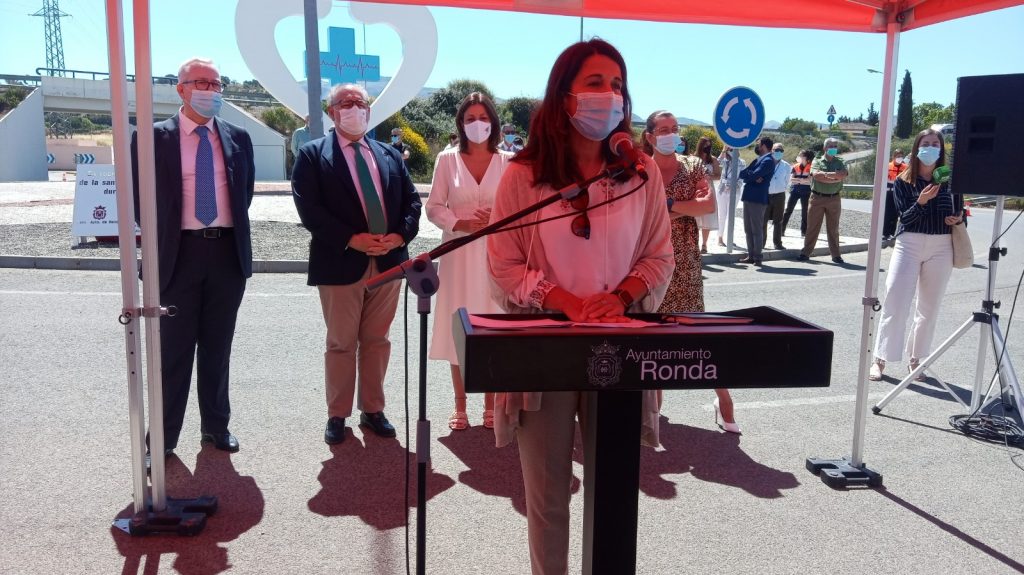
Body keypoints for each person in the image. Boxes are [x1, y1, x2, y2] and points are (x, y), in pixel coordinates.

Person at [486, 40, 673, 575]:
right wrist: (564, 302)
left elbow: (660, 255)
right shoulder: (523, 175)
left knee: (612, 490)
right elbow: (503, 265)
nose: (609, 95)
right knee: (547, 499)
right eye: (595, 83)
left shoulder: (641, 173)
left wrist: (619, 297)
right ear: (564, 95)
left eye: (617, 85)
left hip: (620, 343)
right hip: (545, 350)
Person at [131, 57, 254, 457]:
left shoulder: (238, 137)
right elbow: (140, 200)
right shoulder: (152, 137)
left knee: (218, 349)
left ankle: (216, 427)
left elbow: (244, 194)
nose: (210, 90)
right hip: (177, 255)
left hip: (226, 254)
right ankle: (162, 441)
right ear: (181, 88)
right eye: (201, 82)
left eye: (216, 84)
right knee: (173, 353)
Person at [292, 83, 422, 444]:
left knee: (377, 341)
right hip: (340, 261)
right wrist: (351, 238)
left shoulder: (389, 154)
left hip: (388, 261)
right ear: (331, 111)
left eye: (360, 103)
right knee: (341, 343)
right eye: (345, 103)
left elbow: (412, 202)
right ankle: (337, 414)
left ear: (368, 110)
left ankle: (373, 409)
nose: (354, 108)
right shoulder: (313, 155)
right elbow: (309, 209)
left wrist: (400, 236)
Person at [643, 110, 740, 434]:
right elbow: (638, 213)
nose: (671, 134)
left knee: (697, 333)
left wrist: (667, 206)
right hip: (647, 262)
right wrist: (682, 207)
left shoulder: (693, 165)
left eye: (675, 128)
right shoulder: (640, 169)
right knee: (652, 338)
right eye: (663, 130)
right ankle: (653, 409)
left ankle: (723, 400)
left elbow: (708, 205)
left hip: (685, 262)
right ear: (650, 136)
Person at [425, 92, 512, 431]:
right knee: (458, 326)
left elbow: (519, 206)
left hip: (497, 254)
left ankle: (491, 404)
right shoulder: (447, 160)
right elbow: (434, 206)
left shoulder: (509, 162)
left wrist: (497, 217)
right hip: (458, 253)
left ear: (494, 122)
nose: (478, 124)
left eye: (484, 117)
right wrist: (459, 222)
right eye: (470, 118)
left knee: (493, 326)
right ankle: (459, 404)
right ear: (461, 124)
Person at [869, 130, 962, 382]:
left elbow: (960, 212)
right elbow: (905, 218)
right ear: (917, 148)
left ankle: (916, 359)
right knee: (896, 301)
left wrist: (957, 218)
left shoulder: (951, 181)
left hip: (941, 245)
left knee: (929, 308)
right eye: (926, 143)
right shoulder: (903, 181)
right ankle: (880, 359)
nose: (931, 148)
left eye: (935, 144)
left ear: (941, 149)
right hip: (909, 243)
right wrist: (920, 202)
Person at [798, 137, 848, 263]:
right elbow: (816, 176)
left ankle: (836, 255)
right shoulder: (817, 160)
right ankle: (806, 253)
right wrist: (834, 177)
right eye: (831, 146)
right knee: (812, 227)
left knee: (833, 229)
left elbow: (843, 174)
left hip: (834, 198)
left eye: (835, 146)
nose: (834, 148)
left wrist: (825, 175)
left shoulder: (841, 161)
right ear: (825, 148)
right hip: (817, 198)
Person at [738, 136, 775, 266]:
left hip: (758, 199)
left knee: (756, 229)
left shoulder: (768, 161)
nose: (757, 146)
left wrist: (751, 176)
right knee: (748, 229)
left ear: (763, 146)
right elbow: (743, 174)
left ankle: (758, 257)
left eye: (758, 144)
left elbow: (753, 175)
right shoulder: (757, 160)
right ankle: (751, 255)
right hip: (748, 197)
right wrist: (752, 177)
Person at [693, 136, 721, 254]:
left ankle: (704, 244)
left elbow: (718, 176)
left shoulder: (713, 159)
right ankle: (694, 244)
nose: (707, 147)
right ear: (700, 145)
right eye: (705, 145)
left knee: (707, 218)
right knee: (695, 218)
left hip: (708, 189)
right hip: (695, 190)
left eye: (709, 145)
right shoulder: (693, 158)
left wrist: (709, 176)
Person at [762, 142, 791, 250]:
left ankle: (778, 243)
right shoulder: (765, 163)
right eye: (776, 150)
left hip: (779, 195)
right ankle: (761, 243)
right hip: (766, 195)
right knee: (763, 220)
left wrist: (780, 188)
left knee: (778, 220)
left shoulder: (786, 166)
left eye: (781, 150)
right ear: (772, 151)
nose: (779, 152)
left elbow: (786, 181)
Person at [715, 146, 745, 247]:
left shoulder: (742, 162)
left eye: (733, 149)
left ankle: (730, 238)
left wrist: (733, 186)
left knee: (731, 216)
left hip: (735, 191)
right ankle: (720, 238)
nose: (732, 151)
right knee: (722, 215)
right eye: (730, 150)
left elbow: (742, 177)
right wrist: (723, 150)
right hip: (722, 190)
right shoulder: (725, 161)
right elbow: (717, 162)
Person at [782, 149, 814, 237]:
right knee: (788, 210)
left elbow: (810, 180)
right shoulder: (795, 166)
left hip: (806, 191)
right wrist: (802, 180)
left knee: (805, 212)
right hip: (795, 190)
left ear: (806, 157)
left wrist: (798, 180)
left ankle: (804, 232)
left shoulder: (811, 167)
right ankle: (781, 230)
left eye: (800, 155)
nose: (798, 157)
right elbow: (791, 179)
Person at [882, 148, 906, 241]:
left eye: (901, 156)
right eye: (898, 156)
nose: (899, 158)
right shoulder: (888, 166)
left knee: (895, 214)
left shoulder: (905, 167)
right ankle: (884, 233)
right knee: (887, 213)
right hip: (888, 191)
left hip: (899, 192)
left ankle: (891, 233)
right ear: (893, 157)